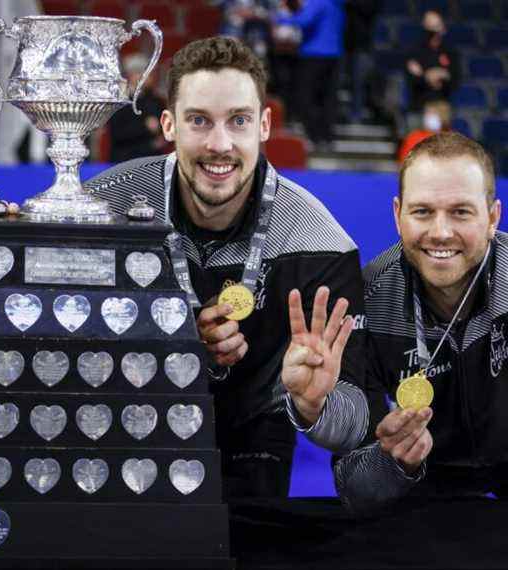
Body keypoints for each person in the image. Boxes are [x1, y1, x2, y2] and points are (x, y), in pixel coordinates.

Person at [85, 36, 369, 500]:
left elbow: (352, 427)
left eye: (238, 121)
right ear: (168, 125)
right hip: (126, 424)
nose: (220, 144)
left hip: (252, 443)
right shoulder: (106, 206)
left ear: (264, 125)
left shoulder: (321, 244)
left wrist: (315, 405)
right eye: (199, 120)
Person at [335, 132, 504, 513]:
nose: (441, 232)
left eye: (461, 211)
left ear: (493, 216)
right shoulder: (367, 302)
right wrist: (392, 461)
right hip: (422, 504)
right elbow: (354, 489)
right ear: (398, 215)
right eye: (423, 211)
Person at [274, 0, 345, 150]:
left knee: (304, 96)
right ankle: (327, 137)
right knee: (327, 98)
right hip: (334, 53)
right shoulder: (337, 4)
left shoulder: (318, 2)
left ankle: (314, 135)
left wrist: (279, 17)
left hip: (314, 54)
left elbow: (304, 20)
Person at [405, 10, 460, 113]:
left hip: (442, 108)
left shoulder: (450, 52)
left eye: (436, 30)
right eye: (430, 32)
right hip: (419, 108)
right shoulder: (414, 51)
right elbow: (411, 79)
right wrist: (428, 77)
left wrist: (443, 75)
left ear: (443, 29)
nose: (433, 35)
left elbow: (455, 80)